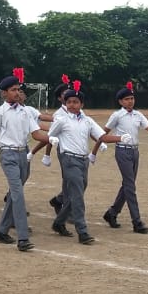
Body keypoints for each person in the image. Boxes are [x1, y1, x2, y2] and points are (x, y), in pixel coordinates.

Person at [0, 68, 52, 251]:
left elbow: (35, 134)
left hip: (23, 154)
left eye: (18, 89)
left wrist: (53, 139)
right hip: (8, 155)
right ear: (4, 93)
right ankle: (23, 237)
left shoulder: (26, 112)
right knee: (17, 194)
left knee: (14, 194)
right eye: (13, 90)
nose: (17, 93)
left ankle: (1, 230)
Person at [47, 81, 123, 245]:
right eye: (68, 102)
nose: (72, 105)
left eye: (75, 102)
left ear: (82, 104)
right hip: (69, 159)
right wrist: (48, 150)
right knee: (78, 197)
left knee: (77, 193)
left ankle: (59, 222)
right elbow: (49, 136)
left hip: (83, 160)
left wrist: (120, 138)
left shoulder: (87, 121)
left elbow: (101, 136)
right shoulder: (62, 120)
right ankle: (82, 231)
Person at [100, 81, 148, 234]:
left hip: (134, 152)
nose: (130, 101)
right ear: (120, 101)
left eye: (132, 98)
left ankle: (112, 213)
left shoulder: (138, 115)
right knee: (130, 186)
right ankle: (137, 221)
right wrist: (95, 150)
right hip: (122, 151)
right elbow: (103, 132)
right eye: (126, 99)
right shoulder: (117, 115)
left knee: (128, 185)